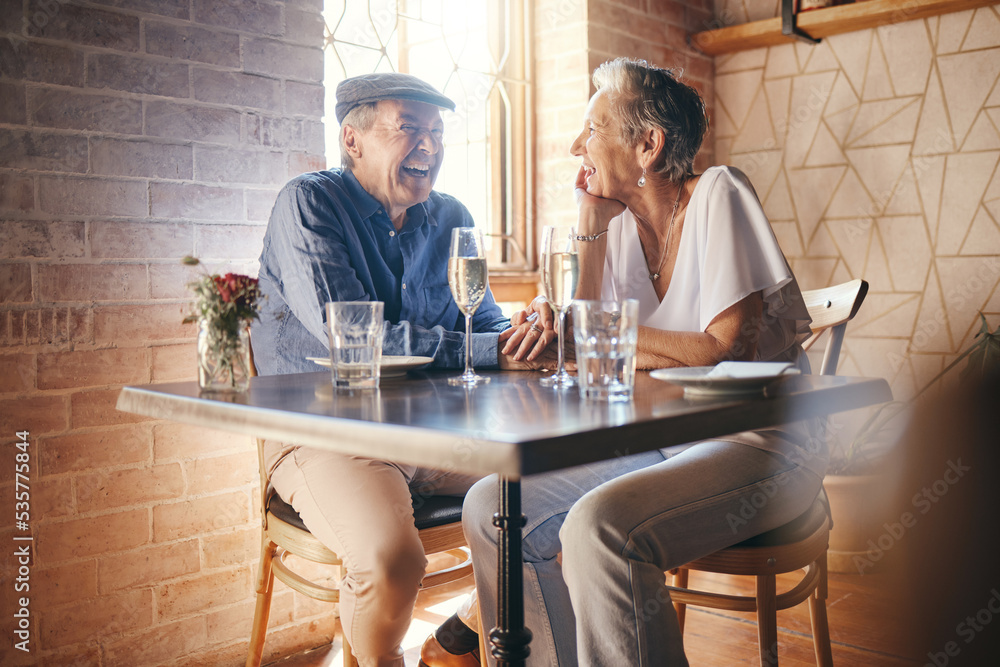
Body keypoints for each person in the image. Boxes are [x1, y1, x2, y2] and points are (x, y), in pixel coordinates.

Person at [461, 57, 821, 665]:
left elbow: (720, 348)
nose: (577, 145)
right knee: (490, 506)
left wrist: (588, 335)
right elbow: (579, 356)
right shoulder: (615, 226)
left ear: (648, 145)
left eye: (592, 129)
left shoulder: (719, 194)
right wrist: (586, 223)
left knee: (598, 530)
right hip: (660, 444)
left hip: (765, 446)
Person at [252, 72, 553, 667]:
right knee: (393, 559)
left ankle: (457, 641)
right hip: (326, 435)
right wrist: (494, 350)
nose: (431, 147)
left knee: (565, 502)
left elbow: (485, 325)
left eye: (437, 133)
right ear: (353, 138)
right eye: (409, 129)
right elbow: (358, 339)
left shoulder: (452, 217)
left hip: (435, 431)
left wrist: (526, 333)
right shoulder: (308, 203)